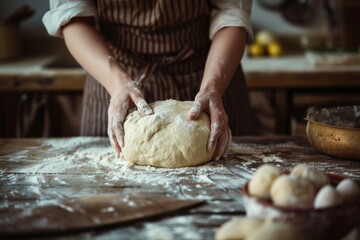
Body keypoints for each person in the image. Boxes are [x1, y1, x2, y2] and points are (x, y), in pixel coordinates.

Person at [43, 0, 255, 161]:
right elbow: (71, 15)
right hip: (111, 76)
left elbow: (232, 11)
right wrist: (117, 83)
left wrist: (213, 85)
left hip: (208, 71)